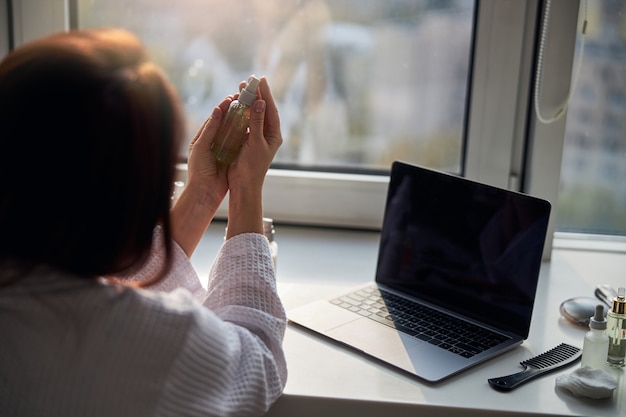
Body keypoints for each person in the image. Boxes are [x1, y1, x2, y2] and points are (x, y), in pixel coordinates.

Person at [0, 28, 286, 417]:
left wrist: (203, 192)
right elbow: (255, 357)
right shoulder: (147, 343)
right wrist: (247, 189)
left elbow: (84, 275)